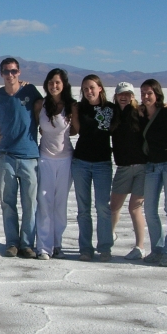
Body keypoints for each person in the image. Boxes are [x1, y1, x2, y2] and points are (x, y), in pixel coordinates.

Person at [0, 57, 43, 258]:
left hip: (29, 156)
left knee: (30, 203)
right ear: (1, 74)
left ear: (19, 72)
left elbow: (46, 108)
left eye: (14, 71)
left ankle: (27, 244)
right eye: (6, 72)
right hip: (6, 156)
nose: (10, 75)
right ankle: (12, 243)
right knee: (8, 203)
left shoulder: (30, 92)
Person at [139, 79, 167, 267]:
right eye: (143, 93)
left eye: (149, 93)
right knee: (149, 209)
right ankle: (157, 249)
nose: (146, 96)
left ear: (157, 94)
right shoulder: (140, 114)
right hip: (152, 166)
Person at [33, 68, 76, 260]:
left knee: (60, 204)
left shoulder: (71, 106)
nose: (54, 86)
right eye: (51, 82)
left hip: (65, 159)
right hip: (45, 159)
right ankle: (43, 246)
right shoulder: (40, 105)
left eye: (57, 82)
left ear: (64, 84)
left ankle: (57, 242)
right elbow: (33, 127)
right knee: (44, 202)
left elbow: (75, 130)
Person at [71, 74, 114, 261]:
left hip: (103, 163)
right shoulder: (78, 108)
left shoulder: (111, 109)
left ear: (100, 88)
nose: (89, 91)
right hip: (81, 161)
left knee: (103, 207)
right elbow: (76, 129)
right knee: (83, 209)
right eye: (85, 88)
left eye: (92, 87)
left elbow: (132, 112)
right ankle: (85, 249)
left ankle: (105, 247)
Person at [109, 82, 148, 260]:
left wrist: (165, 106)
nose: (123, 97)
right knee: (114, 206)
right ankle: (109, 237)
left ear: (133, 96)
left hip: (142, 168)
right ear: (116, 97)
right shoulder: (113, 115)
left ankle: (140, 247)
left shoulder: (141, 112)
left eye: (127, 94)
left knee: (135, 208)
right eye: (120, 94)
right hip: (123, 168)